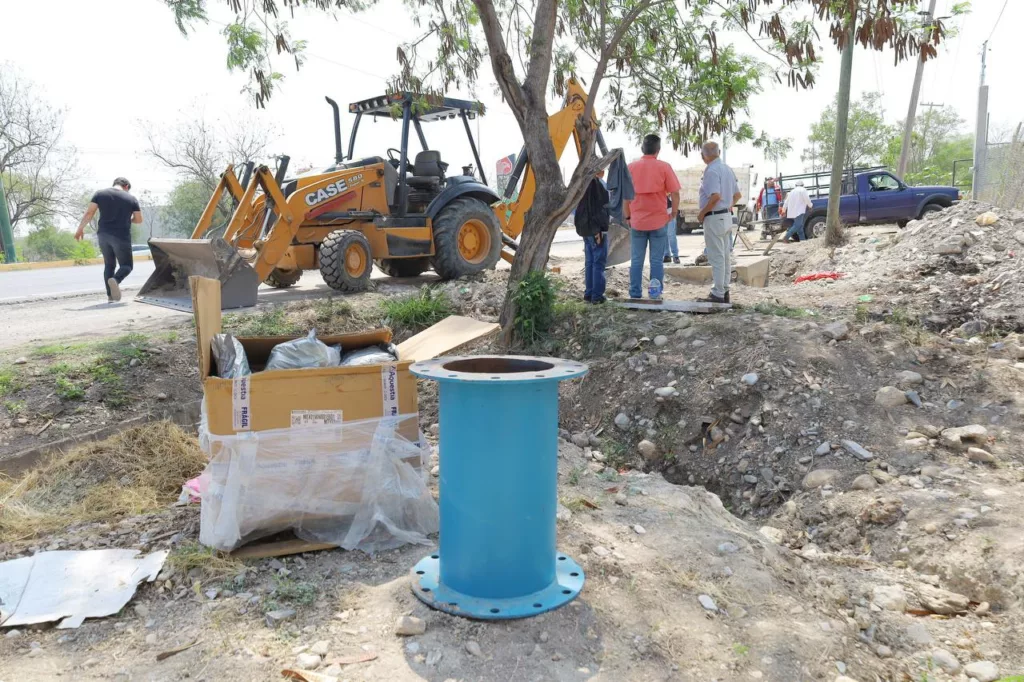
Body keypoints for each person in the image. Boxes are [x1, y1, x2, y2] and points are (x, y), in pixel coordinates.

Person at [625, 134, 680, 299]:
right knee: (656, 261)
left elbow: (625, 197)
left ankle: (635, 293)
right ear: (658, 150)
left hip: (637, 221)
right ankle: (655, 293)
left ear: (643, 149)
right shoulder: (664, 167)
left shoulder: (631, 168)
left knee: (636, 260)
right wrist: (674, 213)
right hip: (659, 221)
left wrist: (628, 217)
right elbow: (675, 193)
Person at [75, 177, 143, 302]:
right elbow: (139, 220)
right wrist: (128, 220)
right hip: (121, 236)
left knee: (109, 265)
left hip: (103, 235)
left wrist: (80, 229)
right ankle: (116, 280)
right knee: (127, 266)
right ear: (126, 186)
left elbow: (89, 213)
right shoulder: (131, 198)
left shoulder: (100, 194)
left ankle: (110, 296)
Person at [696, 141, 740, 304]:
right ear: (719, 152)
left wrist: (702, 213)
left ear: (703, 155)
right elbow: (737, 195)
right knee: (725, 256)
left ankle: (718, 293)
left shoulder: (711, 170)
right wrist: (726, 207)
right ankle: (724, 290)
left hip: (714, 216)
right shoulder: (727, 169)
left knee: (717, 257)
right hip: (726, 216)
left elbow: (715, 196)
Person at [574, 170, 610, 303]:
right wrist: (601, 229)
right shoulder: (597, 185)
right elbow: (600, 209)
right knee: (598, 263)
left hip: (585, 229)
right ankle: (597, 296)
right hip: (595, 230)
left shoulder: (582, 183)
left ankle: (589, 294)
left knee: (589, 263)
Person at [663, 196, 680, 264]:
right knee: (664, 235)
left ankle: (675, 255)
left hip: (669, 211)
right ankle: (667, 255)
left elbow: (674, 196)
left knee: (671, 235)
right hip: (660, 212)